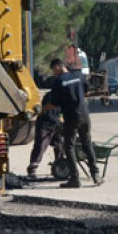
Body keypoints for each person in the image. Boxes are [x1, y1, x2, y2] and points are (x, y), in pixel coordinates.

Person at [48, 58, 100, 188]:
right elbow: (87, 92)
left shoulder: (58, 82)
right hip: (84, 115)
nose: (54, 73)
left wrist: (42, 110)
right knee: (87, 144)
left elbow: (54, 104)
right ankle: (96, 176)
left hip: (71, 117)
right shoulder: (79, 75)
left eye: (54, 70)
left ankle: (75, 179)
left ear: (58, 66)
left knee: (69, 147)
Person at [25, 74, 63, 178]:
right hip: (44, 124)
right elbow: (47, 113)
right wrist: (58, 122)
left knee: (60, 145)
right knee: (41, 145)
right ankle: (32, 168)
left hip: (55, 124)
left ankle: (59, 166)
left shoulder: (62, 96)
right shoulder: (49, 96)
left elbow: (62, 111)